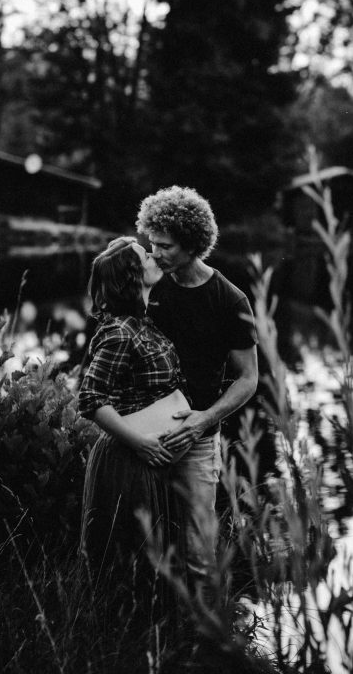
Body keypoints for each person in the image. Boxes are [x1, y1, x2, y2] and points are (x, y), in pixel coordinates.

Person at [135, 186, 259, 588]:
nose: (155, 254)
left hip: (198, 436)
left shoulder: (231, 300)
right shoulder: (149, 285)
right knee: (141, 540)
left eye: (165, 246)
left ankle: (203, 638)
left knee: (199, 552)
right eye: (151, 244)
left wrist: (205, 419)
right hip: (139, 430)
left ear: (193, 244)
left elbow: (247, 378)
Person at [77, 235, 189, 620]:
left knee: (151, 557)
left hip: (148, 460)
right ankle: (121, 642)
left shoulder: (142, 322)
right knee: (131, 558)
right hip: (128, 461)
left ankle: (149, 638)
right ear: (132, 274)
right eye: (146, 254)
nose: (154, 254)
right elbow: (90, 399)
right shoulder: (120, 331)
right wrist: (139, 442)